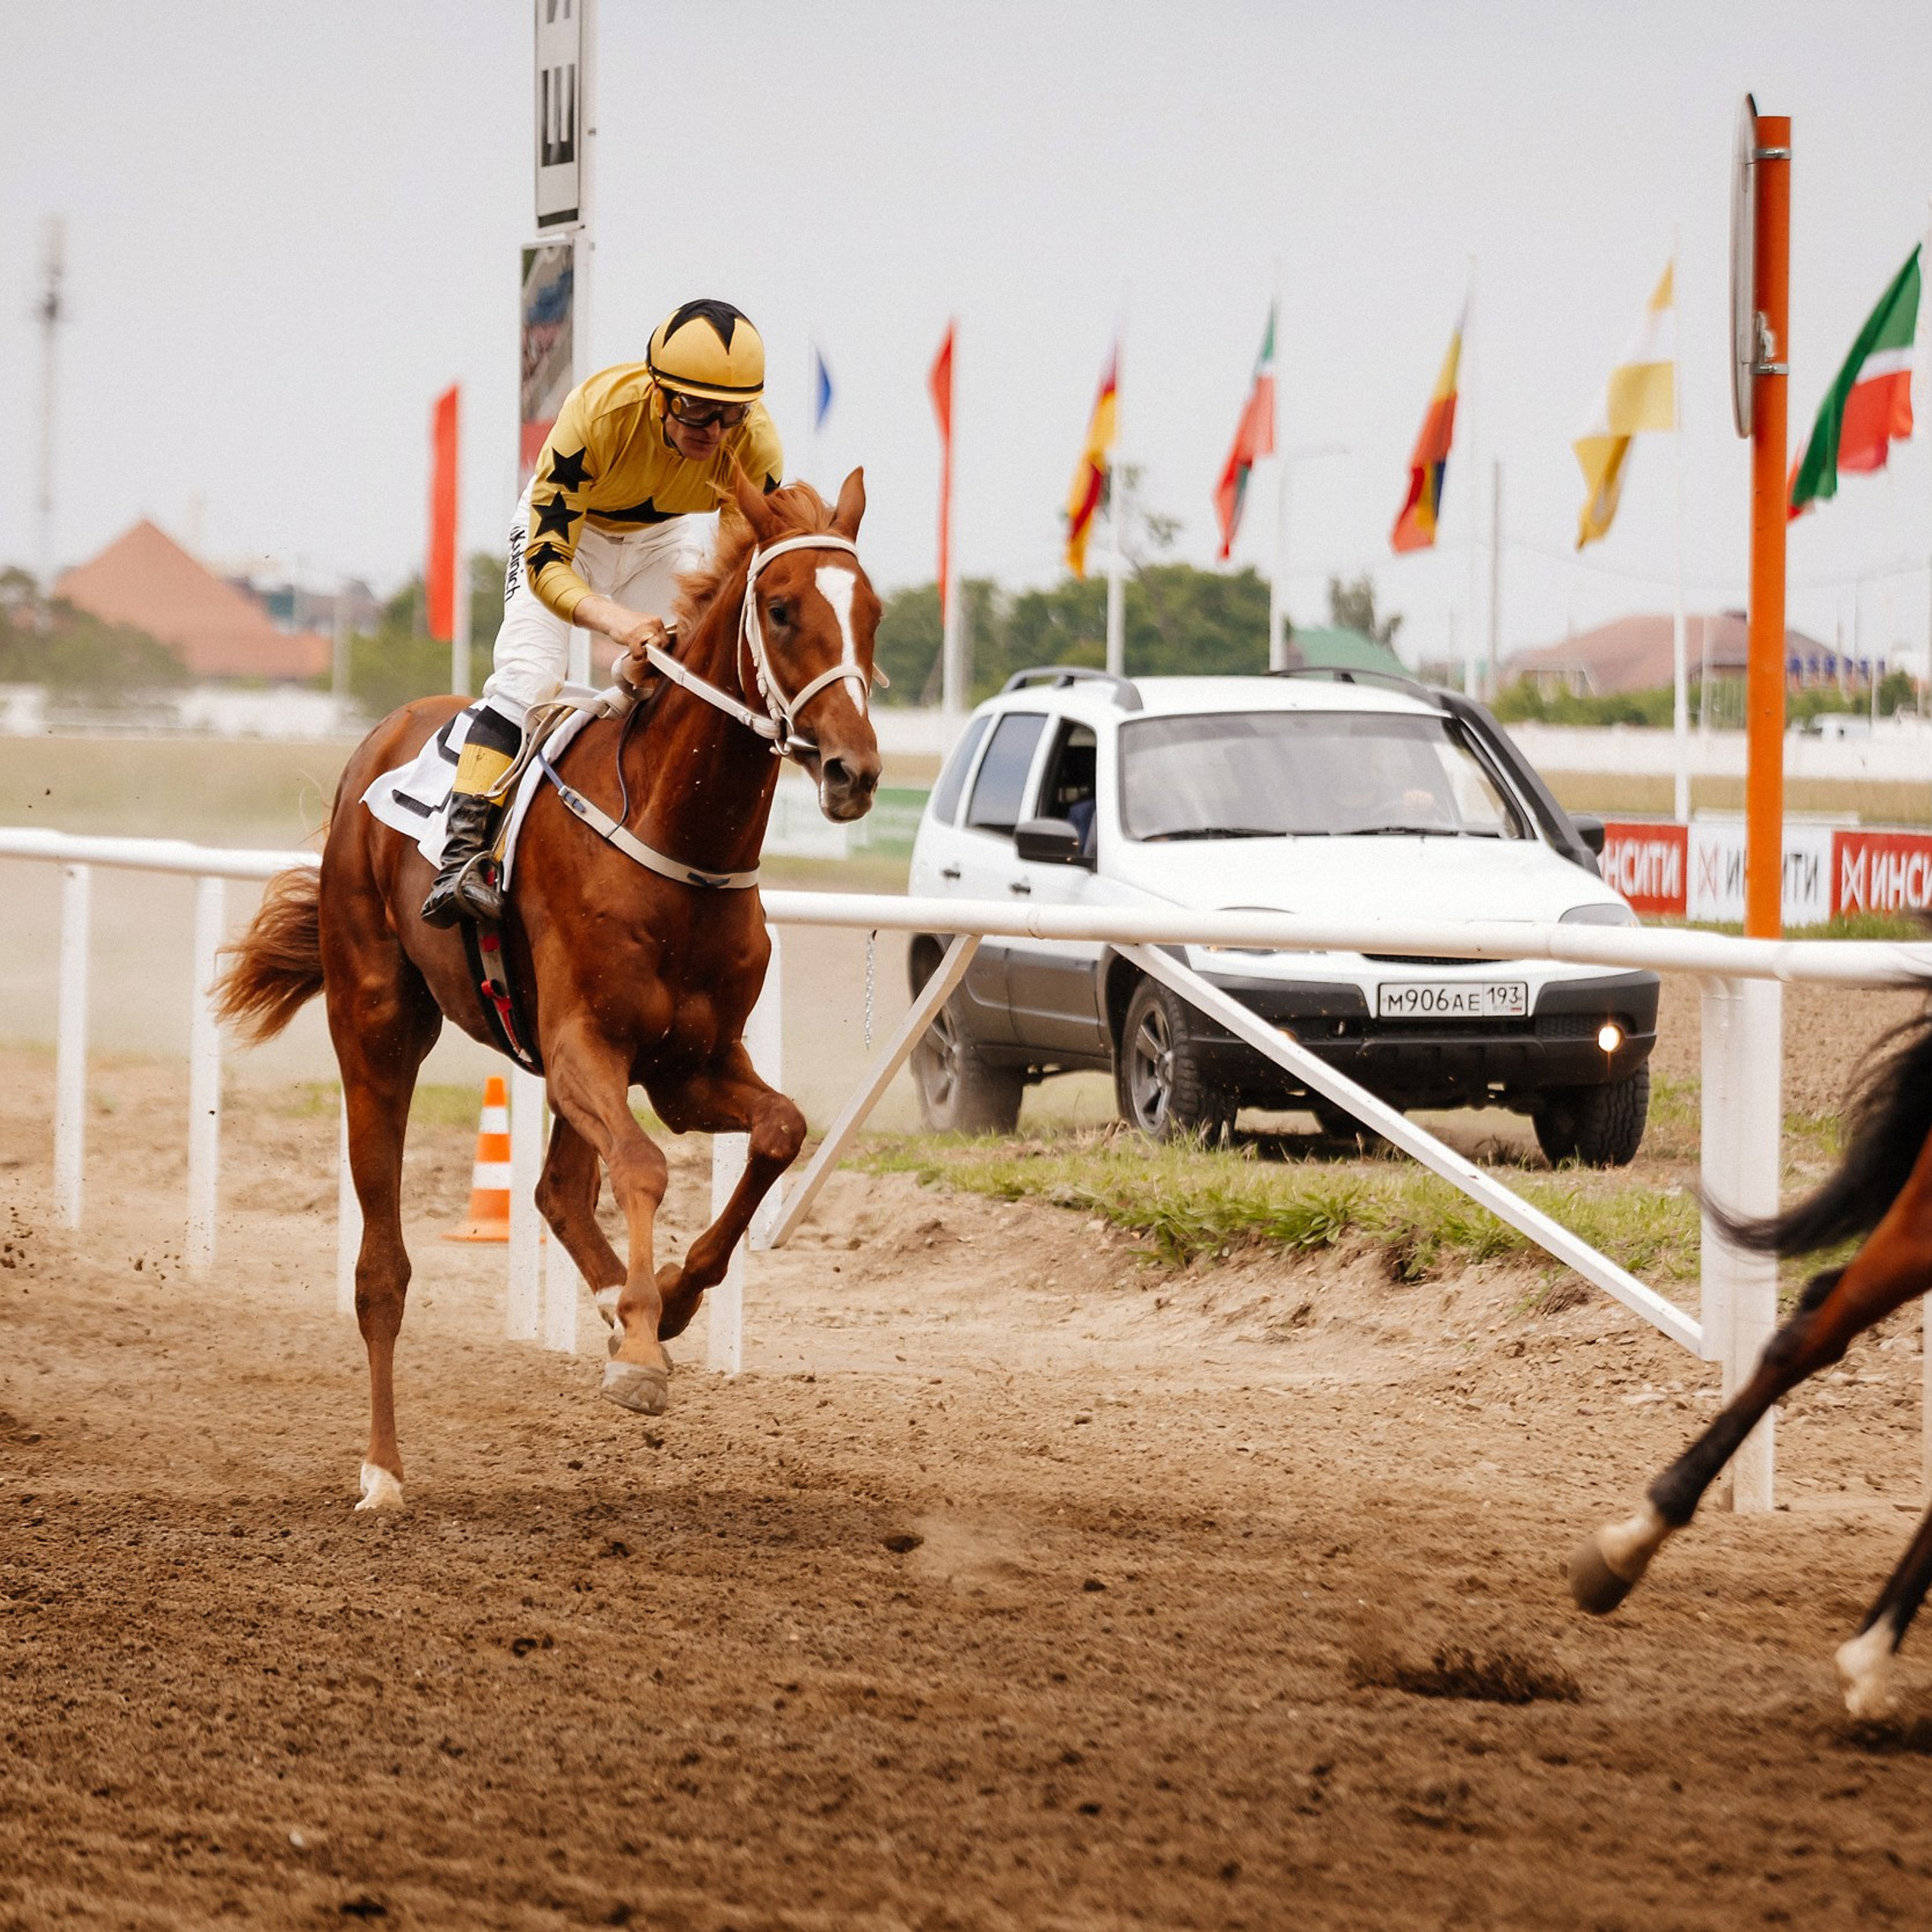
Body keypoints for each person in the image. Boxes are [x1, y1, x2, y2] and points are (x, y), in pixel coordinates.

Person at [420, 297, 785, 927]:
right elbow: (545, 563)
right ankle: (460, 859)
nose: (713, 430)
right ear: (658, 392)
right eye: (695, 407)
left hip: (662, 539)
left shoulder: (756, 447)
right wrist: (617, 623)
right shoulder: (596, 413)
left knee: (684, 684)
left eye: (731, 413)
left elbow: (732, 572)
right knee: (531, 677)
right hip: (568, 536)